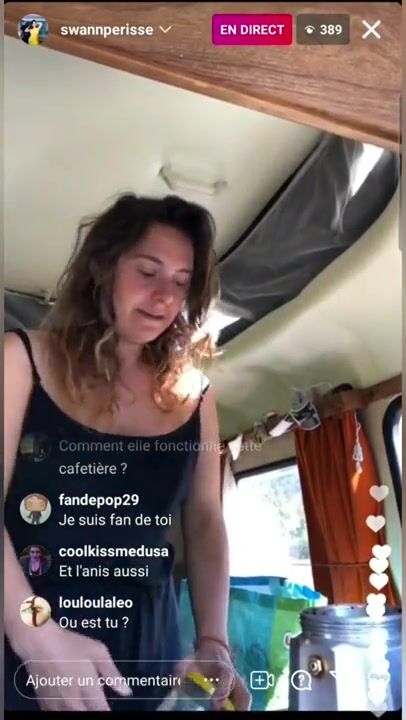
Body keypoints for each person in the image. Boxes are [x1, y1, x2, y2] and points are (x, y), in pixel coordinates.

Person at [4, 194, 252, 711]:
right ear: (104, 267)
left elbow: (205, 520)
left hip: (150, 658)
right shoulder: (20, 360)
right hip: (24, 650)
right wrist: (36, 637)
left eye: (181, 281)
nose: (164, 296)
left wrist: (214, 640)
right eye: (148, 271)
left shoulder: (197, 394)